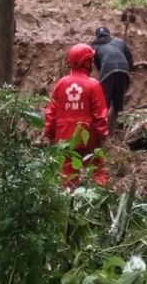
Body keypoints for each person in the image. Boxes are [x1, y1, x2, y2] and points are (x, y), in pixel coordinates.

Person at [44, 43, 110, 187]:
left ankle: (68, 206)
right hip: (88, 138)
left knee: (67, 178)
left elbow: (51, 112)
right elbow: (100, 115)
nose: (92, 62)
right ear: (84, 62)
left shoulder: (61, 84)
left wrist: (49, 134)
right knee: (98, 172)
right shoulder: (93, 85)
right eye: (90, 60)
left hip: (65, 139)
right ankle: (101, 204)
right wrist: (103, 136)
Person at [91, 26, 133, 133]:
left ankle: (102, 134)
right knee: (116, 106)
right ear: (109, 34)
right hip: (124, 70)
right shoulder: (120, 41)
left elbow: (99, 65)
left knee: (103, 105)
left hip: (107, 72)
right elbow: (130, 61)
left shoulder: (95, 47)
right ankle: (110, 133)